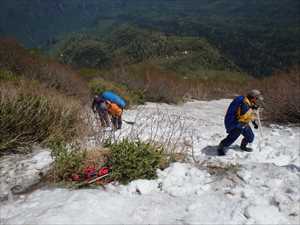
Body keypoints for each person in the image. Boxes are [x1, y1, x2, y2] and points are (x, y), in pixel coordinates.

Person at [217, 89, 263, 156]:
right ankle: (221, 147)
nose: (257, 100)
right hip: (236, 124)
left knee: (250, 137)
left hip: (244, 123)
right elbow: (243, 116)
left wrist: (253, 122)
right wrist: (252, 108)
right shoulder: (244, 103)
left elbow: (249, 114)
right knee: (231, 138)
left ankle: (243, 146)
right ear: (253, 98)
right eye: (257, 99)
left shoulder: (250, 102)